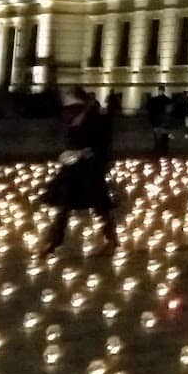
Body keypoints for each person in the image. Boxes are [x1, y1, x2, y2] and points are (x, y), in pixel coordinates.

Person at [41, 89, 118, 257]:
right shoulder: (74, 119)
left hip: (90, 170)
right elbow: (72, 141)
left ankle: (111, 240)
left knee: (100, 207)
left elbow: (103, 144)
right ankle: (54, 242)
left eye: (70, 104)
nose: (67, 109)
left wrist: (82, 153)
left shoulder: (96, 118)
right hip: (73, 171)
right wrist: (66, 154)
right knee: (65, 206)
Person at [145, 84, 171, 157]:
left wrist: (151, 119)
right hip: (163, 121)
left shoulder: (154, 100)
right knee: (164, 137)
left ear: (159, 90)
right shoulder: (167, 100)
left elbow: (149, 109)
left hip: (157, 121)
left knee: (158, 137)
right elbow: (169, 111)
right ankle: (164, 151)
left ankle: (158, 150)